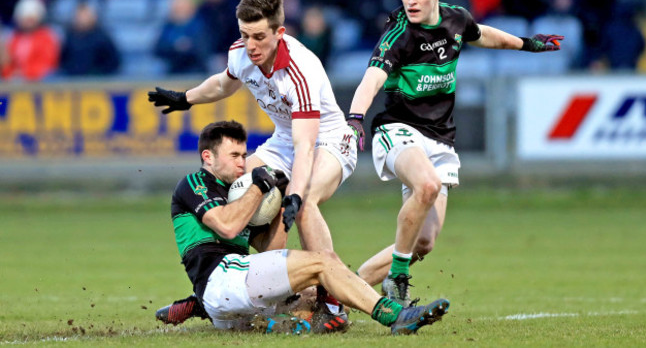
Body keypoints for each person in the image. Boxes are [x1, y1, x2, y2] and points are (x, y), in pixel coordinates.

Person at [346, 0, 563, 306]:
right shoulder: (398, 35)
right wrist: (355, 117)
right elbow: (371, 79)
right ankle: (397, 276)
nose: (411, 1)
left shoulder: (456, 19)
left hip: (440, 138)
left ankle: (344, 290)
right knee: (427, 185)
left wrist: (527, 43)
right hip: (399, 130)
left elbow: (484, 35)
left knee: (424, 242)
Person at [148, 0, 357, 308]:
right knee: (228, 183)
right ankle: (216, 283)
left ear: (280, 32)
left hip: (329, 140)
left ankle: (332, 305)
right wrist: (184, 98)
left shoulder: (301, 71)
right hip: (284, 140)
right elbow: (222, 84)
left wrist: (296, 194)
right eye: (245, 35)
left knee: (306, 204)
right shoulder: (241, 53)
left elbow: (305, 148)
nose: (251, 45)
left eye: (259, 36)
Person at [155, 120, 449, 335]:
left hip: (235, 296)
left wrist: (281, 201)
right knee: (324, 262)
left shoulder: (239, 192)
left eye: (245, 156)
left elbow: (271, 252)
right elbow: (227, 226)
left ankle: (199, 307)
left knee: (318, 293)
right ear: (208, 157)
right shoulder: (195, 183)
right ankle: (395, 316)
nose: (242, 163)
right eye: (235, 156)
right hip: (221, 280)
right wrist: (259, 186)